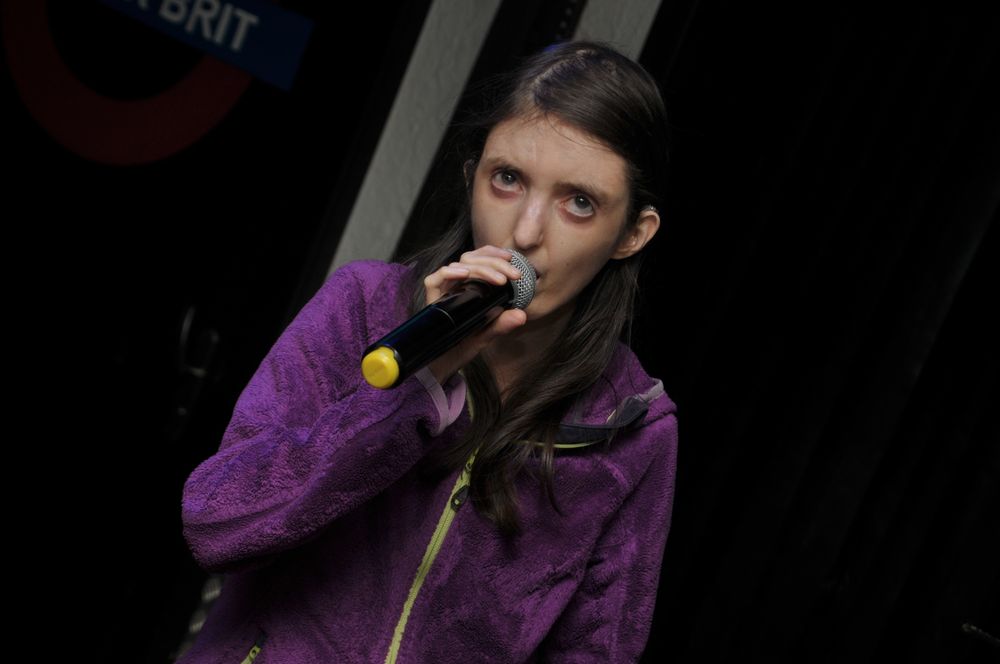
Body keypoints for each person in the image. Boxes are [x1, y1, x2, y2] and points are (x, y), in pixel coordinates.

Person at [177, 39, 679, 663]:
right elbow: (218, 524)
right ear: (472, 178)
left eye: (579, 202)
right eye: (507, 179)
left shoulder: (632, 426)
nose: (525, 233)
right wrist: (415, 388)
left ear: (632, 234)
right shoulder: (363, 309)